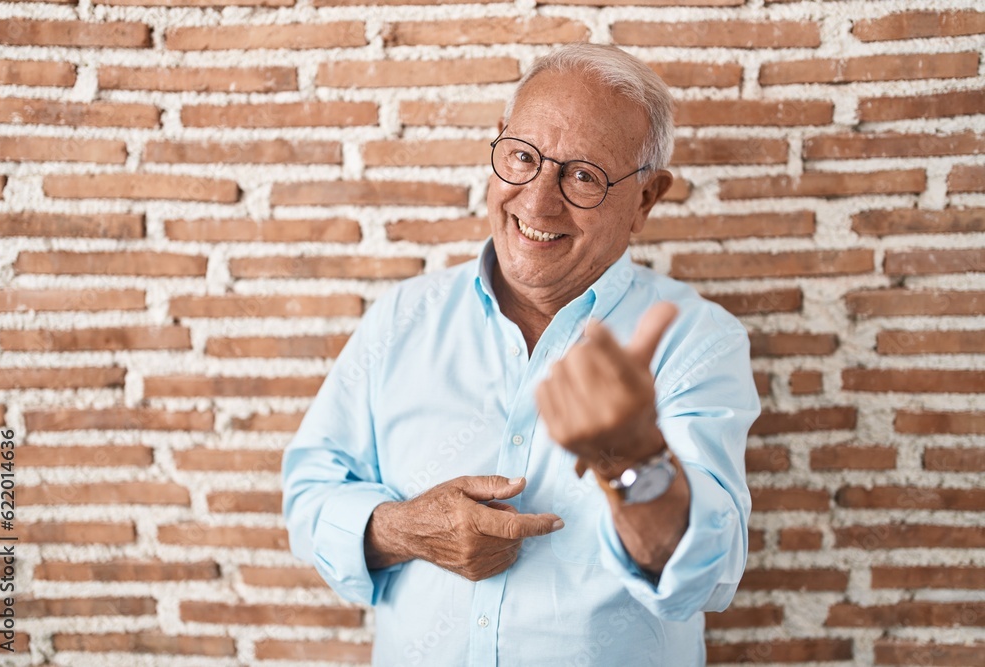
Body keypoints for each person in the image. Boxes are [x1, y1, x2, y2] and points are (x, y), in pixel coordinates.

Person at [283, 43, 759, 666]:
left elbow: (707, 573)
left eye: (584, 175)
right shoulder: (403, 316)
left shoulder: (698, 341)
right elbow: (309, 494)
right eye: (523, 158)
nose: (537, 203)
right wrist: (402, 529)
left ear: (646, 199)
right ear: (497, 145)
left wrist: (633, 461)